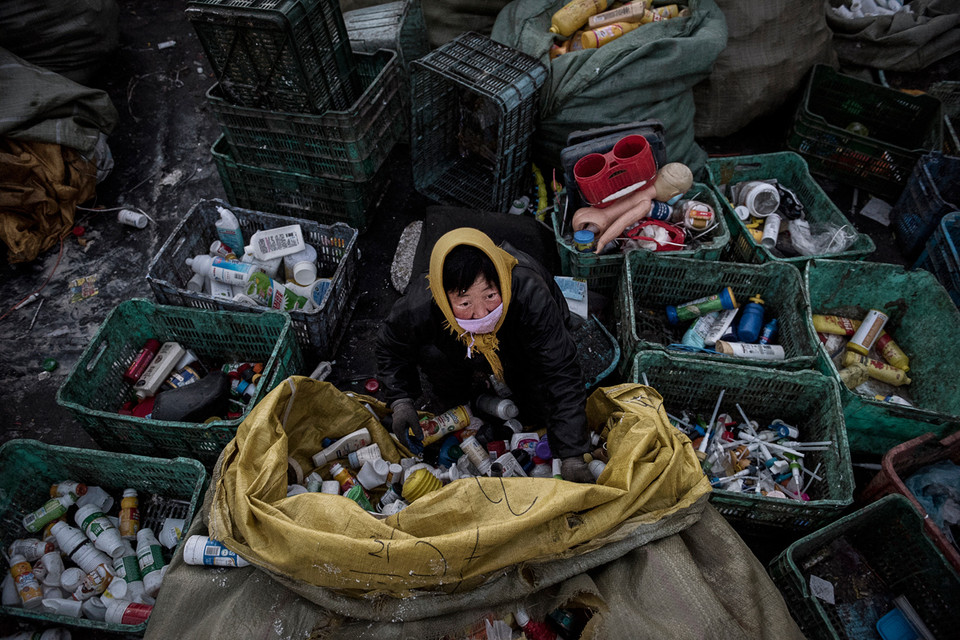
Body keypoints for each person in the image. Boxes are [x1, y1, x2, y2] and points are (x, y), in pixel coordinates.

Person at [376, 228, 595, 483]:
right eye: (465, 303)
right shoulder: (423, 302)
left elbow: (561, 370)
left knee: (537, 408)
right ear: (443, 297)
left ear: (501, 282)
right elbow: (391, 344)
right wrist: (401, 399)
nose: (481, 314)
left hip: (519, 333)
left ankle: (507, 388)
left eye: (490, 296)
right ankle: (468, 397)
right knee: (439, 367)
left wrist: (572, 456)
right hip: (456, 337)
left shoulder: (529, 292)